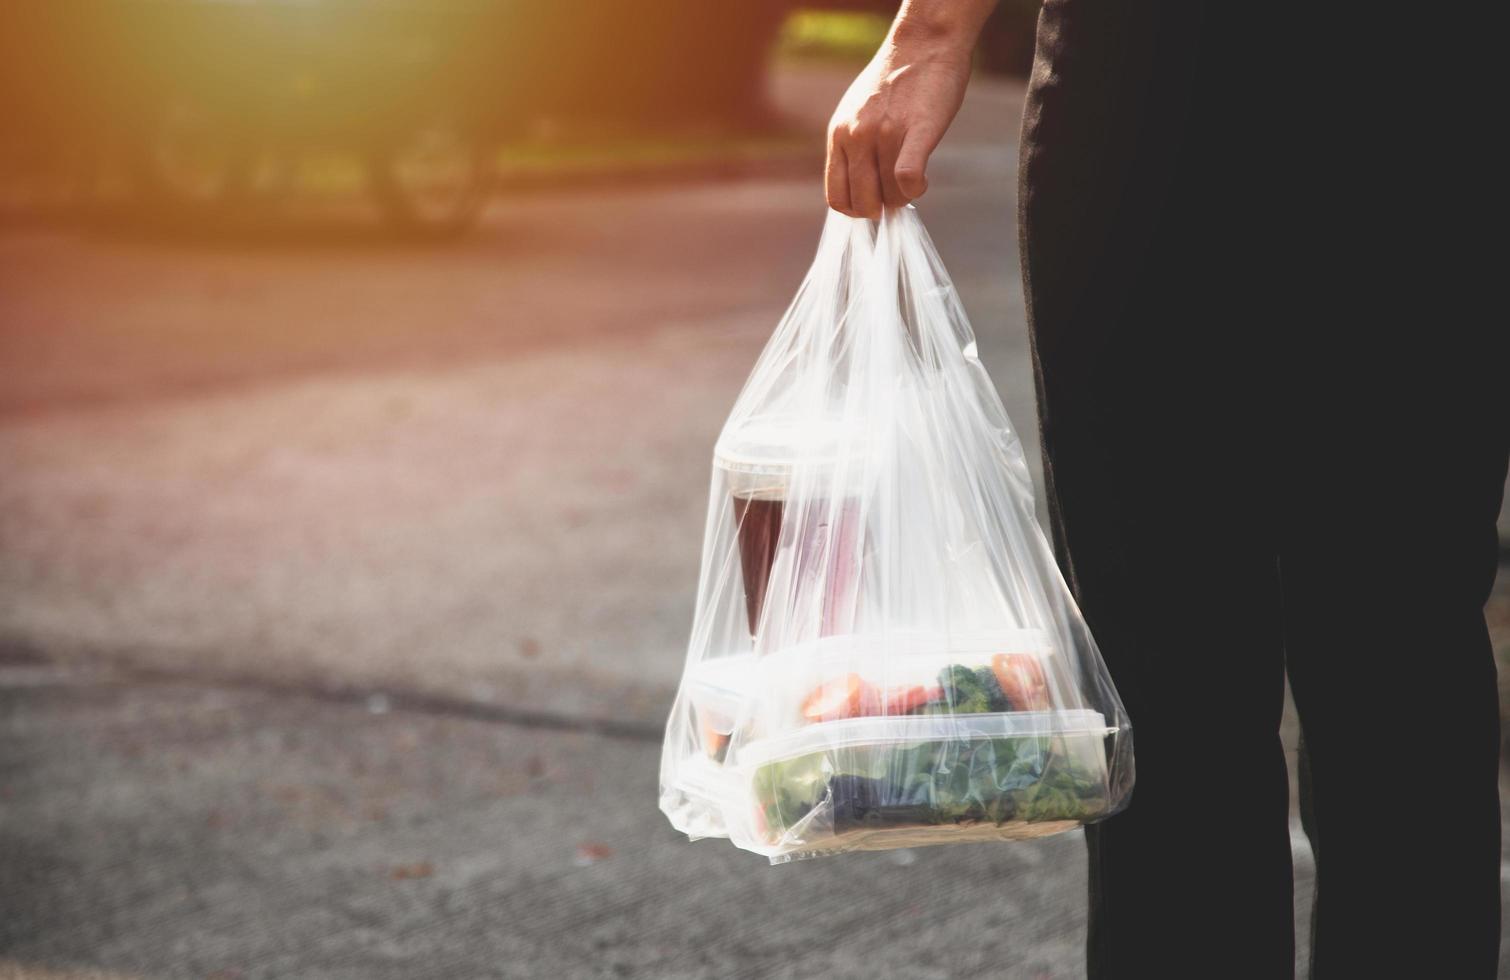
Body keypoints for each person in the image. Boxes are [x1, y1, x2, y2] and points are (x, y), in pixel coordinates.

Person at [825, 1, 1507, 977]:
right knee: (1176, 669)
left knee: (1388, 662)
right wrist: (931, 31)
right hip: (1161, 80)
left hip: (1401, 82)